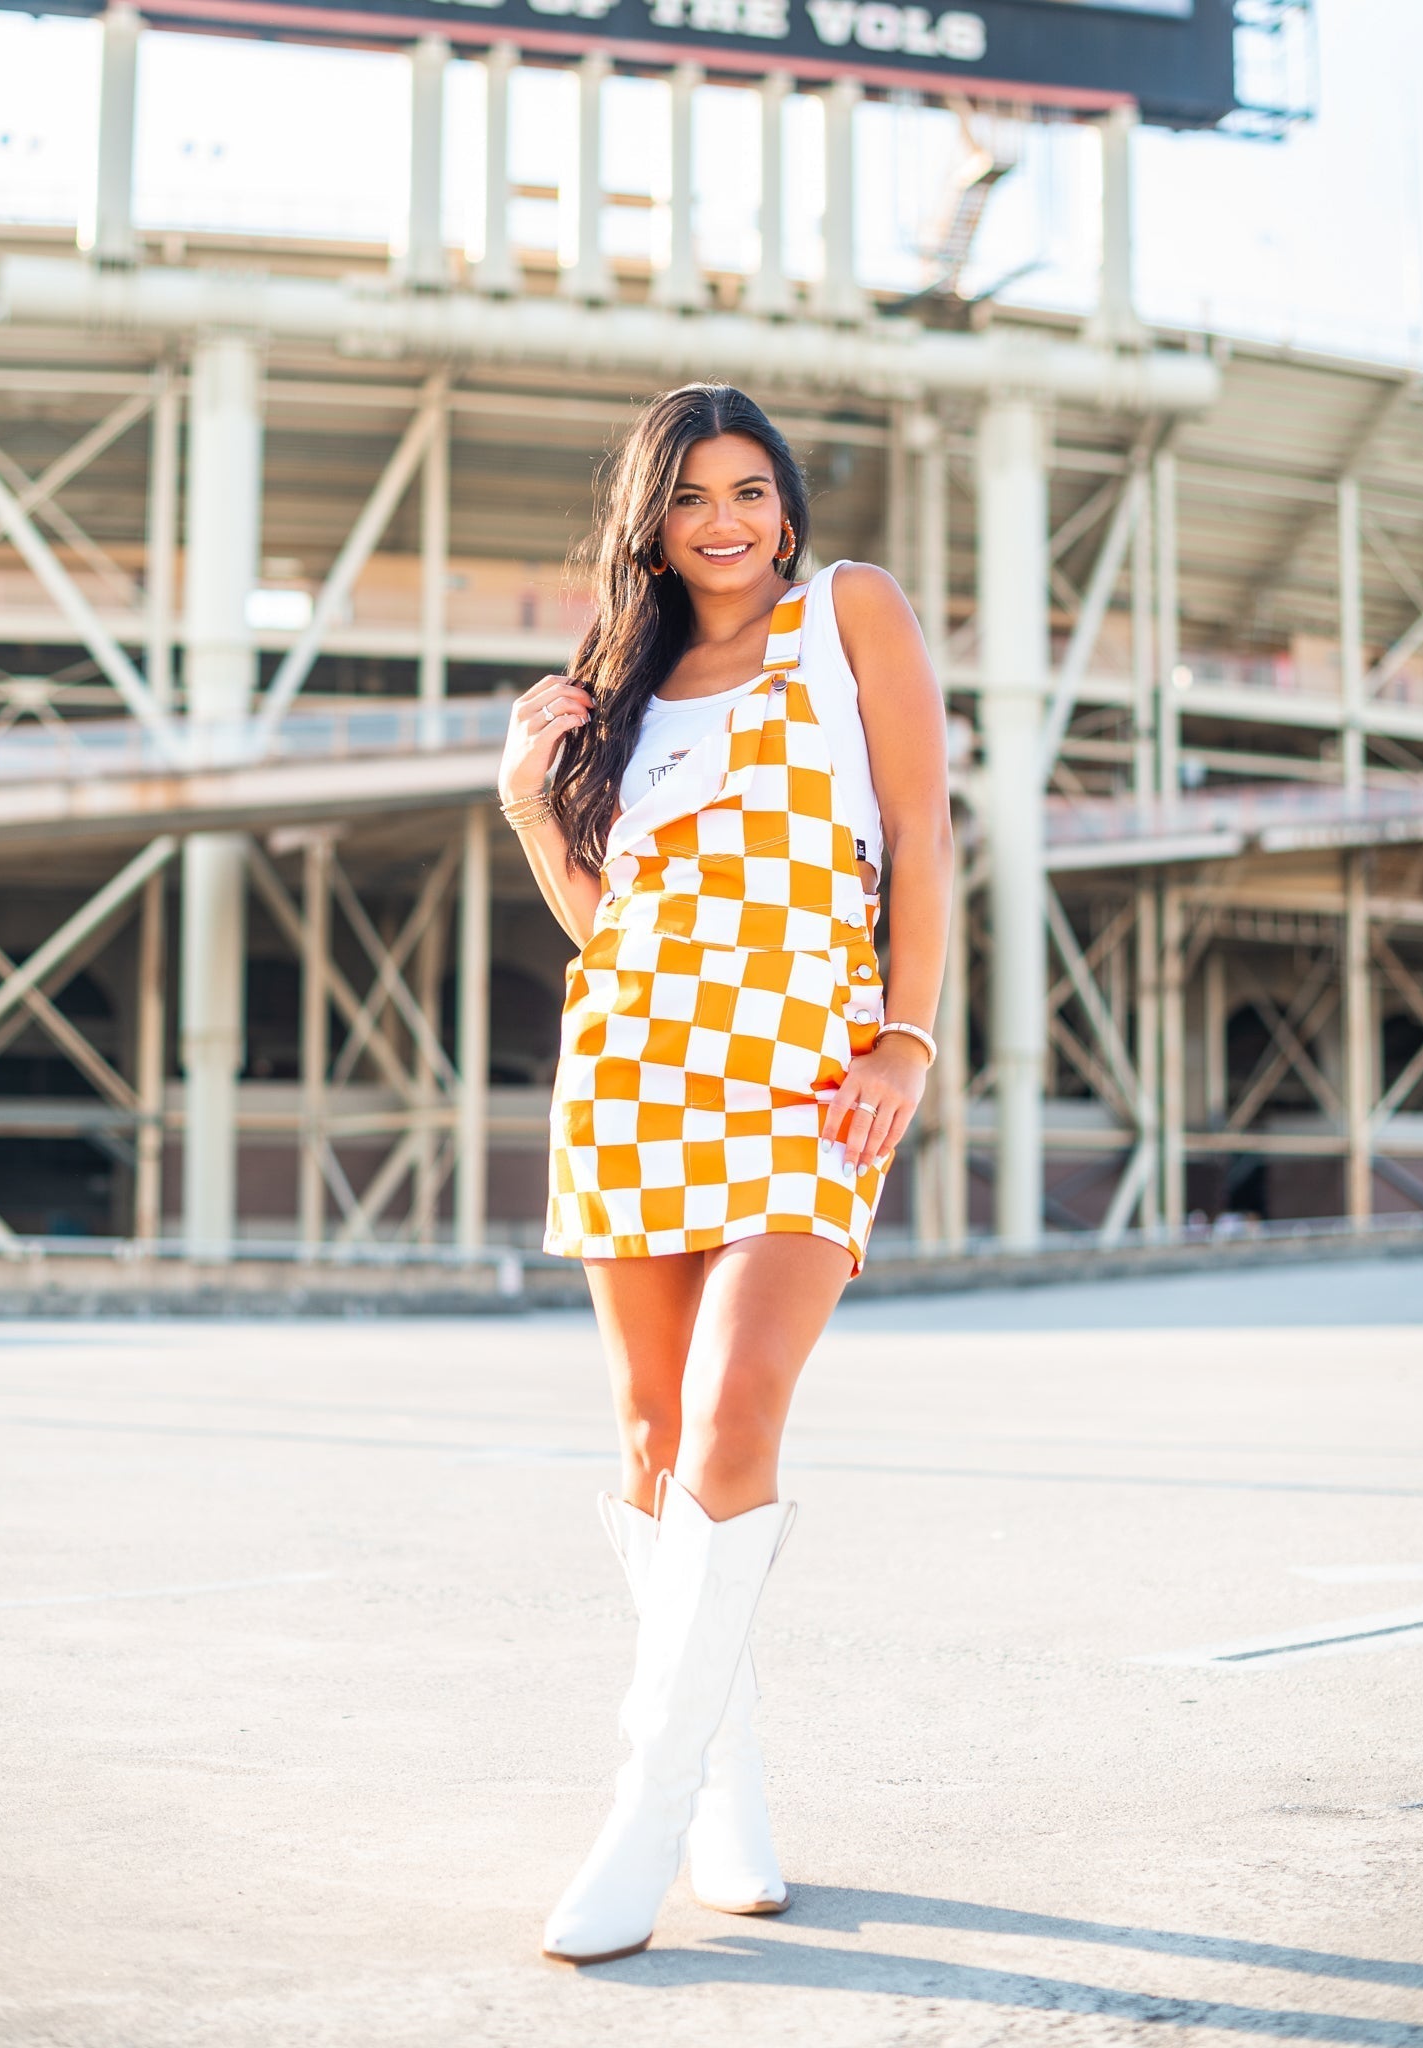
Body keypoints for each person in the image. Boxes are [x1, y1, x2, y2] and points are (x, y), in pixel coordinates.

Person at [496, 383, 953, 1965]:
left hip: (805, 1072)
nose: (728, 521)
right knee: (643, 1432)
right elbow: (604, 926)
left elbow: (921, 826)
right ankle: (725, 1777)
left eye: (752, 489)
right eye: (692, 496)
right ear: (653, 520)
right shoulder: (620, 688)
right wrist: (525, 807)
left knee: (732, 1406)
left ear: (787, 505)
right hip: (631, 1071)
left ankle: (642, 1803)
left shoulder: (850, 616)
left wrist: (907, 1035)